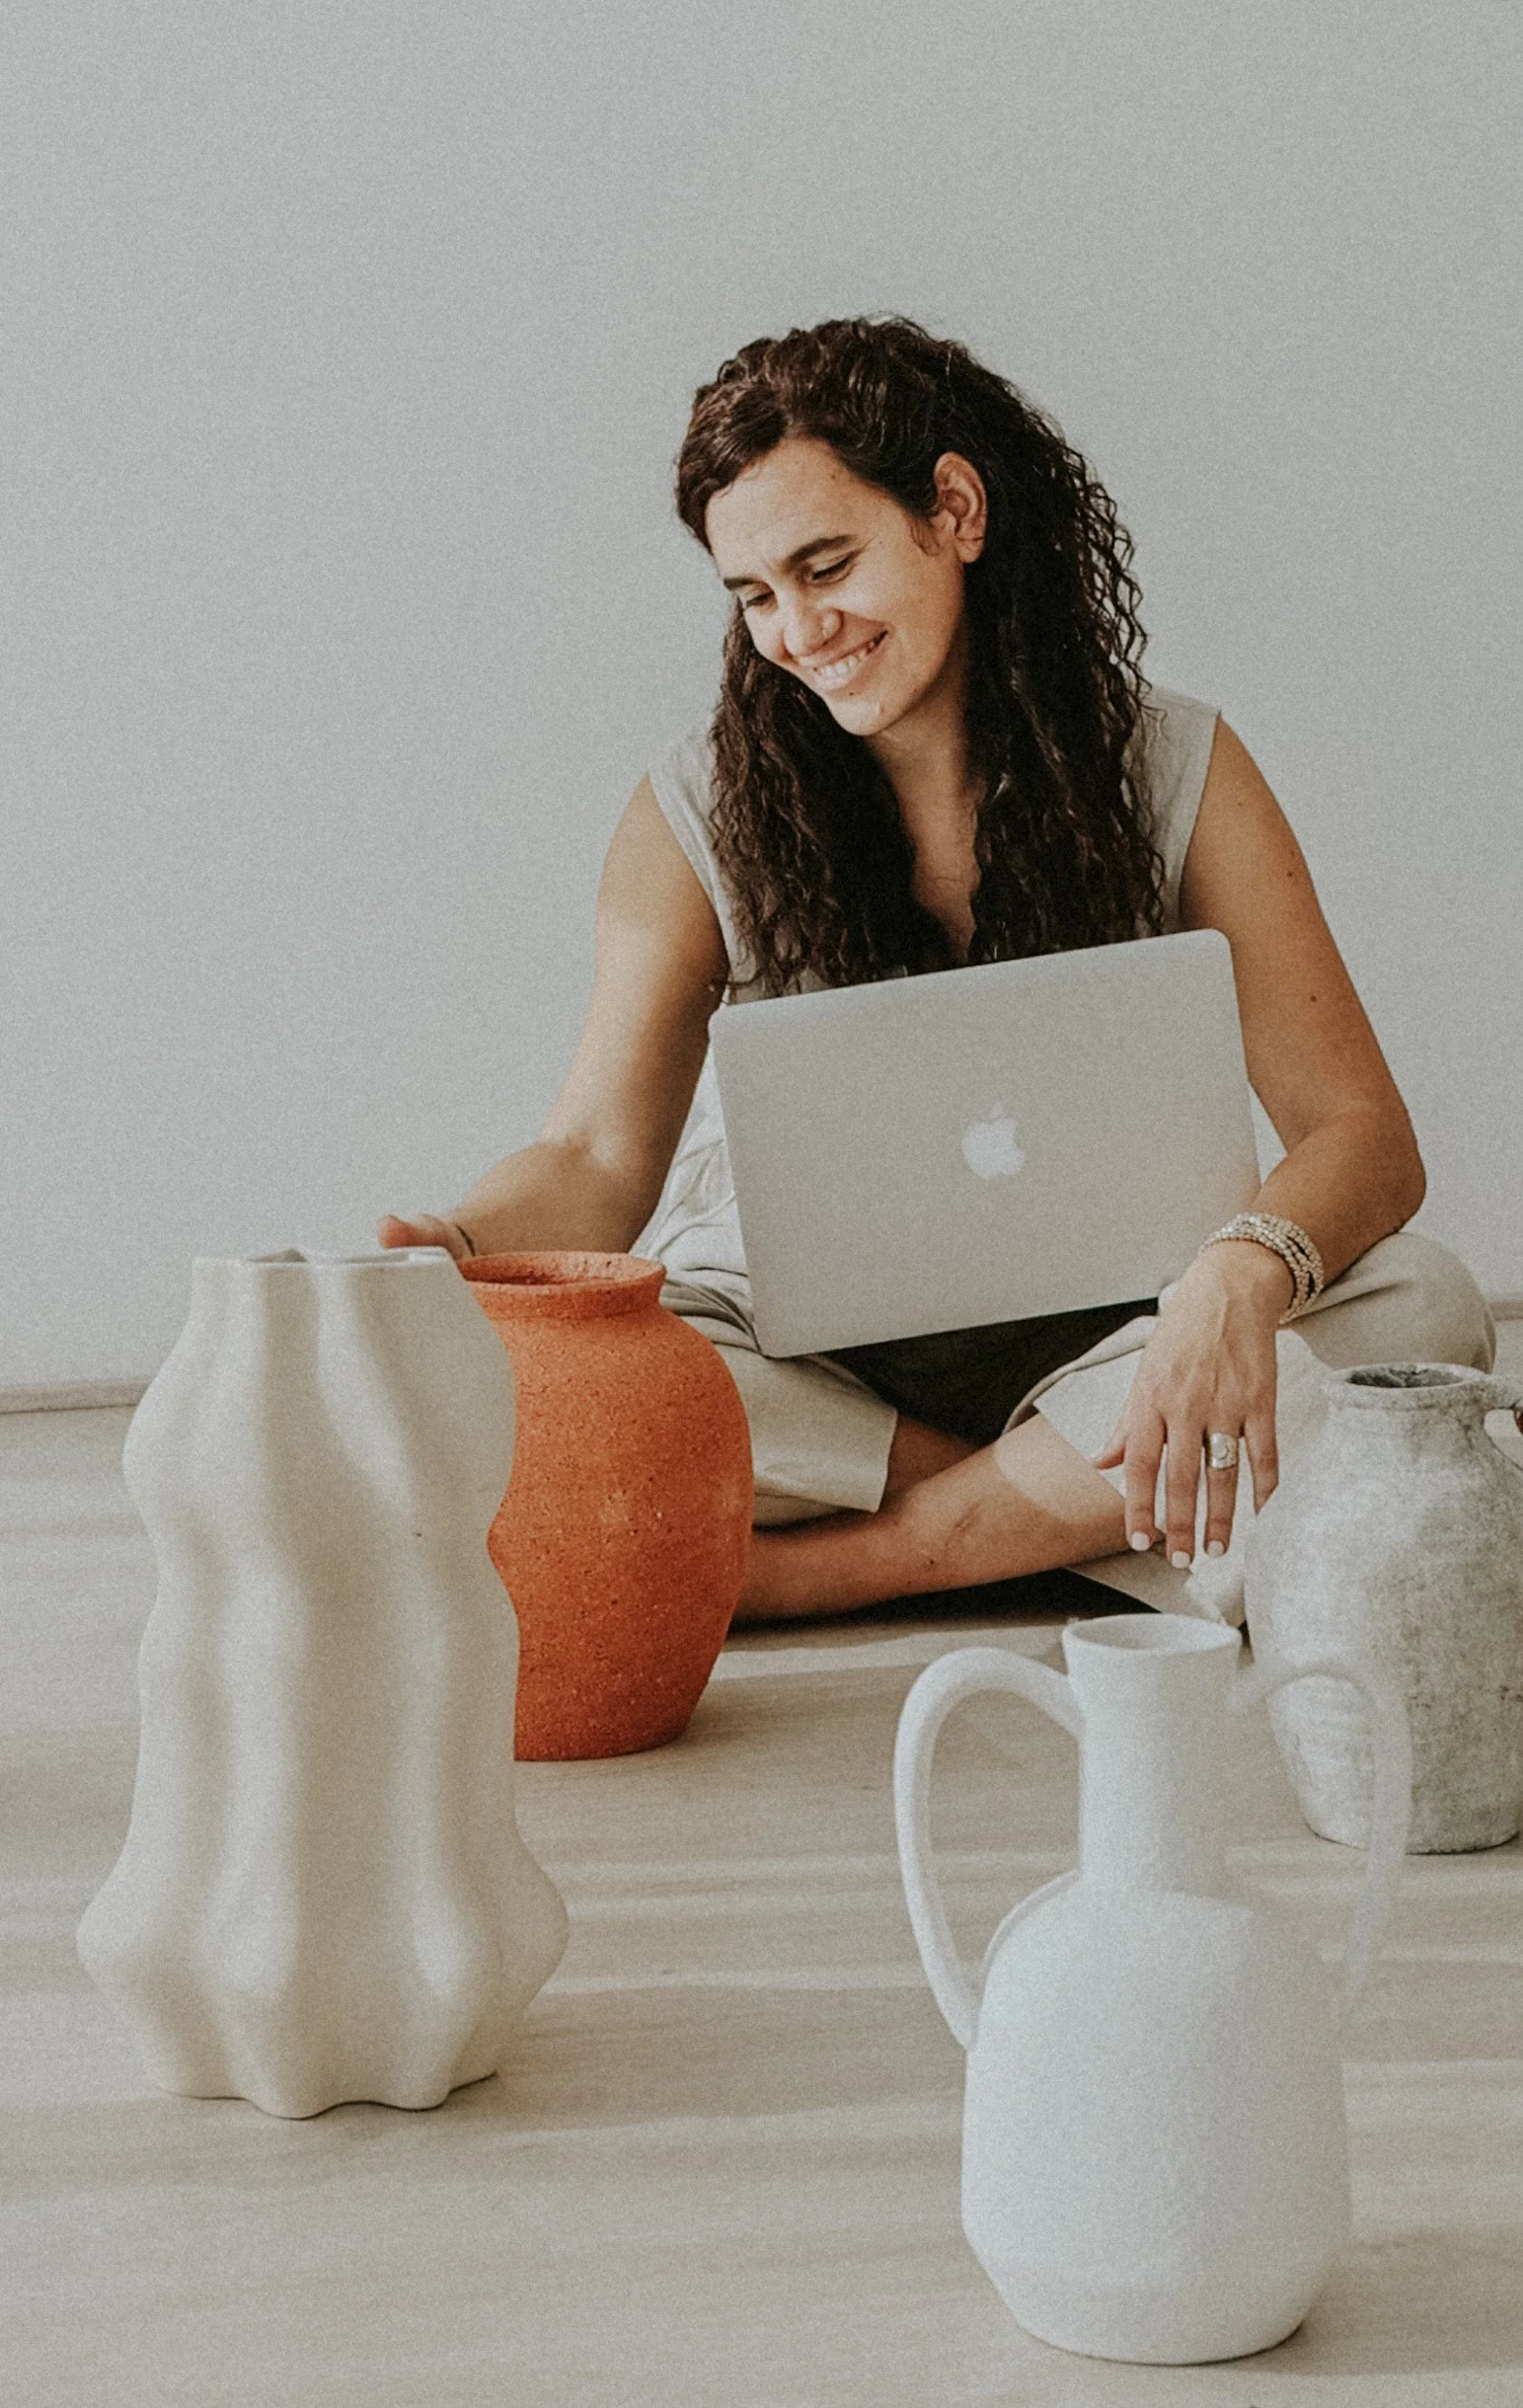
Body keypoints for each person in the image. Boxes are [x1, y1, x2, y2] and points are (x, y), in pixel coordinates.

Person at [380, 316, 1494, 1622]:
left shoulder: (1177, 769)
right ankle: (1091, 1515)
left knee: (1422, 1305)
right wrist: (451, 1248)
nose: (797, 631)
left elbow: (1360, 1133)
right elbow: (594, 1161)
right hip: (812, 1374)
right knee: (543, 1382)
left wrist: (1234, 1280)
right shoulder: (693, 811)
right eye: (754, 595)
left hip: (1109, 1338)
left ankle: (821, 1572)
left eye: (825, 564)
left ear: (953, 510)